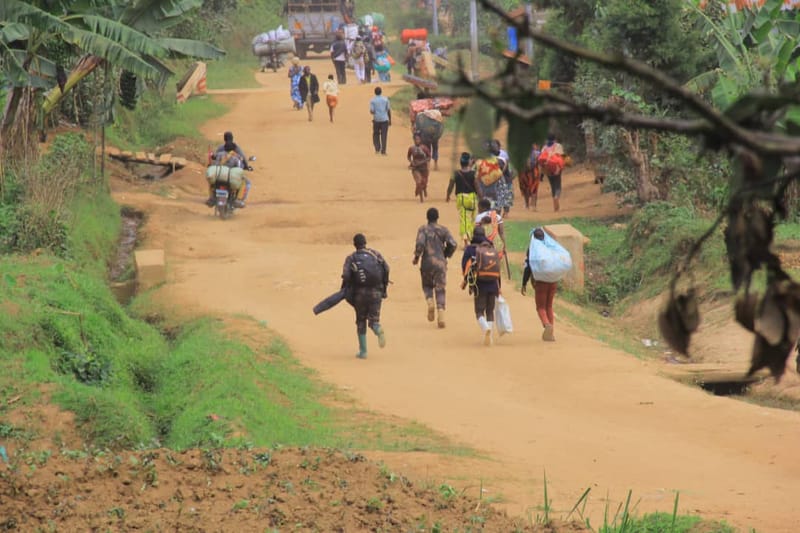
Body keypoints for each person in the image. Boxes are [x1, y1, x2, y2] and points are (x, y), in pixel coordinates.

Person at [341, 233, 389, 359]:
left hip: (359, 295)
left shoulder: (351, 258)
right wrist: (384, 289)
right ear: (365, 243)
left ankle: (363, 352)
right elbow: (387, 268)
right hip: (376, 293)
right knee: (374, 320)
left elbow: (346, 276)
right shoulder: (375, 254)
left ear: (354, 245)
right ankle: (377, 329)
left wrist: (345, 290)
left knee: (361, 321)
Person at [413, 207, 457, 328]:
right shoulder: (443, 230)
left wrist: (416, 257)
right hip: (440, 263)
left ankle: (430, 302)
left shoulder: (423, 229)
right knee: (440, 288)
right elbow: (453, 244)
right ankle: (441, 314)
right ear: (437, 217)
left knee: (427, 285)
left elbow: (420, 244)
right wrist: (446, 254)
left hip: (427, 262)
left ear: (427, 218)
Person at [461, 226, 501, 346]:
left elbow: (465, 266)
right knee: (490, 311)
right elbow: (497, 267)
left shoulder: (470, 249)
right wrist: (499, 287)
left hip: (479, 285)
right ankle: (490, 337)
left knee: (479, 311)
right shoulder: (491, 247)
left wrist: (466, 281)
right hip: (493, 284)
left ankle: (485, 328)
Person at [522, 227, 557, 341]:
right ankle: (551, 334)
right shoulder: (550, 247)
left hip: (541, 282)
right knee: (549, 306)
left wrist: (524, 283)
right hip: (553, 280)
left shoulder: (532, 250)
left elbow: (527, 268)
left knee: (541, 307)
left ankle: (547, 324)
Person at [209, 131, 250, 208]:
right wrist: (246, 166)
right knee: (245, 182)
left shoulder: (220, 152)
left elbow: (214, 159)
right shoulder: (236, 156)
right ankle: (238, 199)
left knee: (212, 183)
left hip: (219, 175)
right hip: (230, 177)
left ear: (224, 139)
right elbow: (240, 165)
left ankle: (211, 198)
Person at [446, 152, 478, 246]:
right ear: (469, 162)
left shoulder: (455, 173)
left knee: (464, 220)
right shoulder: (474, 174)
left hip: (462, 199)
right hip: (473, 198)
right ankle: (473, 239)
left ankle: (466, 241)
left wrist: (448, 195)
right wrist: (481, 197)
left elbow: (450, 186)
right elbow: (477, 186)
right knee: (473, 219)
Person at [538, 133, 566, 212]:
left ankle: (555, 205)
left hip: (548, 169)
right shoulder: (558, 146)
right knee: (558, 185)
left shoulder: (544, 147)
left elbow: (541, 159)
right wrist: (561, 167)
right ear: (554, 139)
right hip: (556, 168)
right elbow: (562, 157)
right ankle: (556, 197)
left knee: (552, 185)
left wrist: (542, 172)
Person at [474, 140, 505, 206]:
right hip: (493, 190)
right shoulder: (496, 161)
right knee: (493, 207)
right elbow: (500, 175)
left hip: (482, 191)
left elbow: (475, 178)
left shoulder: (479, 162)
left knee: (483, 207)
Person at [407, 132, 431, 202]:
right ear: (413, 140)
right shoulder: (411, 148)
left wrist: (422, 162)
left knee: (424, 182)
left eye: (418, 139)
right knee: (419, 182)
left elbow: (429, 157)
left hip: (424, 168)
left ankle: (424, 188)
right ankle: (421, 198)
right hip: (415, 168)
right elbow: (408, 156)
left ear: (420, 140)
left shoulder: (424, 148)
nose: (417, 141)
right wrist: (411, 162)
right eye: (415, 139)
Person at [519, 143, 541, 210]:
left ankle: (527, 205)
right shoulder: (537, 153)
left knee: (526, 189)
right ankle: (533, 206)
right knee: (534, 189)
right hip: (534, 173)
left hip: (524, 173)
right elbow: (540, 164)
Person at [370, 86, 391, 155]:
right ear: (381, 92)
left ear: (375, 92)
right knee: (384, 135)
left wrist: (375, 112)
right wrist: (390, 120)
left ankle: (377, 148)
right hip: (385, 119)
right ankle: (383, 151)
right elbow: (388, 110)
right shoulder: (385, 99)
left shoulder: (372, 100)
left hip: (376, 119)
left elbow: (372, 111)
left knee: (376, 134)